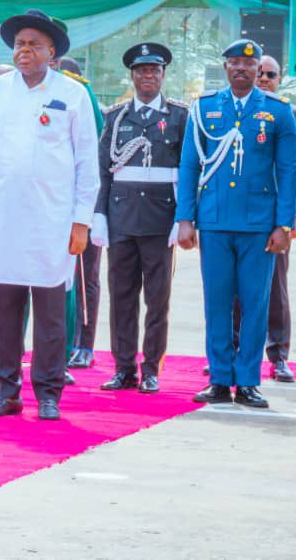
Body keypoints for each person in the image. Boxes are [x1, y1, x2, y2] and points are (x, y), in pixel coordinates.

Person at [0, 9, 99, 420]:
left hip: (51, 220)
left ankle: (48, 391)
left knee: (50, 313)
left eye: (33, 44)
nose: (24, 50)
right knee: (4, 311)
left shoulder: (73, 94)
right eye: (19, 43)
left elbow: (86, 164)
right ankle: (6, 390)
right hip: (1, 216)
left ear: (51, 52)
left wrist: (81, 220)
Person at [176, 39, 296, 409]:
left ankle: (247, 380)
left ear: (259, 68)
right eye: (234, 63)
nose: (242, 69)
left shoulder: (277, 111)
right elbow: (189, 166)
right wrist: (185, 217)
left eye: (249, 64)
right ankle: (219, 378)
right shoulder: (204, 107)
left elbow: (289, 170)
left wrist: (284, 224)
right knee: (216, 302)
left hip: (259, 224)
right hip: (213, 221)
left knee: (255, 303)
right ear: (225, 67)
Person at [92, 42, 187, 393]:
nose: (148, 76)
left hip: (161, 221)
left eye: (154, 70)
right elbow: (104, 170)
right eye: (142, 70)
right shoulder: (115, 117)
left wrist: (184, 216)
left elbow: (189, 170)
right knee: (122, 296)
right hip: (121, 219)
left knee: (158, 299)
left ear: (163, 75)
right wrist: (99, 214)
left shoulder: (179, 116)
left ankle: (150, 368)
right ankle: (123, 368)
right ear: (132, 75)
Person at [251, 55, 296, 382]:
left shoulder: (292, 114)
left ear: (280, 78)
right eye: (258, 73)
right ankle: (232, 350)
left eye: (269, 74)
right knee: (233, 289)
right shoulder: (236, 110)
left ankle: (278, 356)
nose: (262, 78)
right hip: (241, 212)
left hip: (276, 216)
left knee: (276, 288)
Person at [56, 56, 105, 372]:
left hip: (84, 198)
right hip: (48, 199)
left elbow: (94, 152)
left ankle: (83, 343)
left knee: (86, 276)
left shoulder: (83, 95)